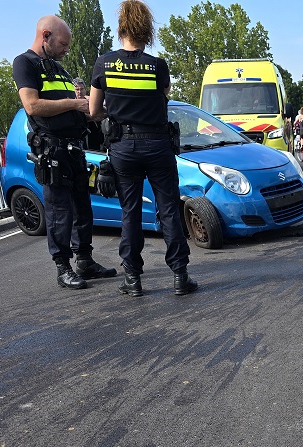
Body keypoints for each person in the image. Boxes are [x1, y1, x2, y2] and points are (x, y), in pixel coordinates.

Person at [89, 0, 198, 297]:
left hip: (123, 147)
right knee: (169, 210)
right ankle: (179, 276)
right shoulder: (156, 65)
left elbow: (94, 110)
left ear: (121, 27)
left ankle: (133, 280)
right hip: (157, 145)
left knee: (130, 212)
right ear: (147, 29)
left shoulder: (104, 63)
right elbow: (164, 98)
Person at [12, 16, 117, 290]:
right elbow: (32, 106)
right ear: (45, 35)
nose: (66, 50)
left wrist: (90, 108)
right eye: (63, 44)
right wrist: (75, 103)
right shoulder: (24, 63)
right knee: (60, 212)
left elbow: (76, 108)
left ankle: (85, 261)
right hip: (52, 150)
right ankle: (63, 267)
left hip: (74, 149)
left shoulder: (58, 68)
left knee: (83, 209)